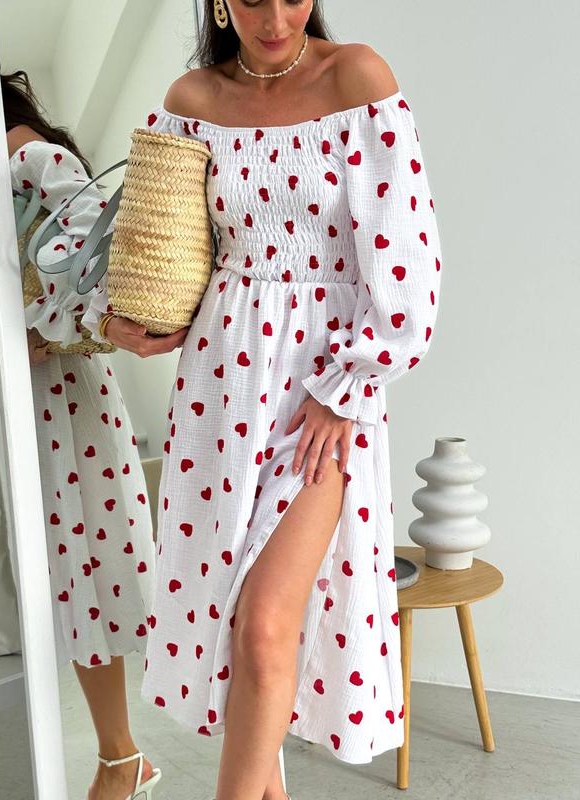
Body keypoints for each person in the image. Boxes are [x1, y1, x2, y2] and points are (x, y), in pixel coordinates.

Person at [97, 1, 443, 798]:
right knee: (239, 629)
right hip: (221, 385)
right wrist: (128, 320)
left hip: (326, 394)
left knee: (263, 627)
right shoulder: (193, 101)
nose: (278, 17)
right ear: (221, 2)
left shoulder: (357, 78)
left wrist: (345, 389)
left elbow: (410, 257)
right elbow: (161, 244)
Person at [3, 69, 169, 800]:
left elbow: (99, 267)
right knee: (52, 580)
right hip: (18, 396)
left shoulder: (30, 158)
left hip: (58, 400)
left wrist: (31, 330)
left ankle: (120, 758)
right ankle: (120, 758)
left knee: (79, 577)